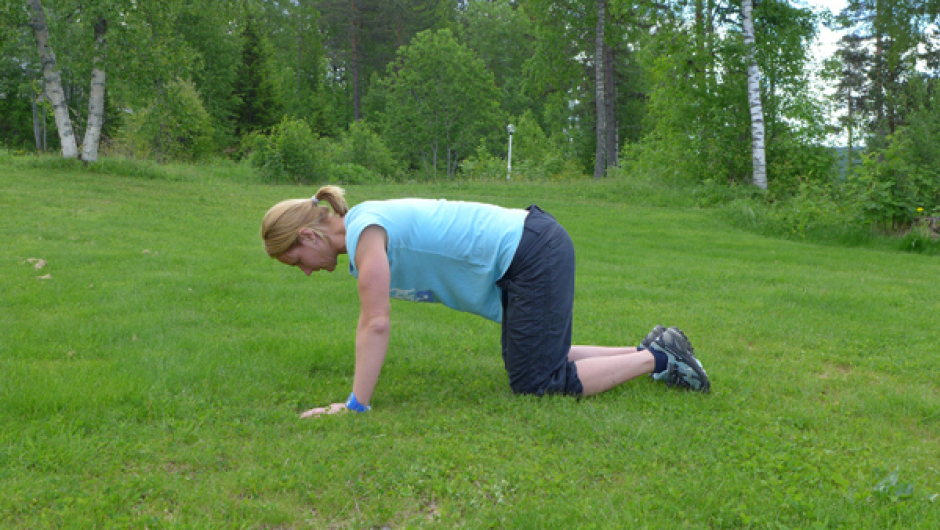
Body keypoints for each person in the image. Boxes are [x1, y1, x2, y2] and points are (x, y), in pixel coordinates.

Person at [260, 186, 710, 417]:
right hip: (529, 248)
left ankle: (659, 359)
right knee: (537, 359)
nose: (304, 270)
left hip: (530, 252)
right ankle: (651, 349)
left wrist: (356, 405)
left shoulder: (365, 233)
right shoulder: (364, 228)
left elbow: (375, 323)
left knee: (536, 380)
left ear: (308, 234)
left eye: (296, 259)